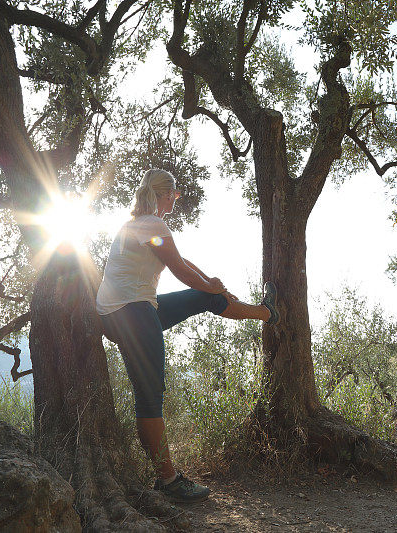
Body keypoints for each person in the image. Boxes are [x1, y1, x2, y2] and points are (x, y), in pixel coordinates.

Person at [96, 168, 279, 503]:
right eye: (175, 194)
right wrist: (210, 284)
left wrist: (210, 283)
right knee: (150, 396)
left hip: (127, 311)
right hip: (132, 314)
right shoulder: (153, 224)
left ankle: (266, 312)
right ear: (166, 194)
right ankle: (168, 480)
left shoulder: (138, 225)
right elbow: (179, 271)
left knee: (206, 297)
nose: (176, 200)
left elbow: (180, 261)